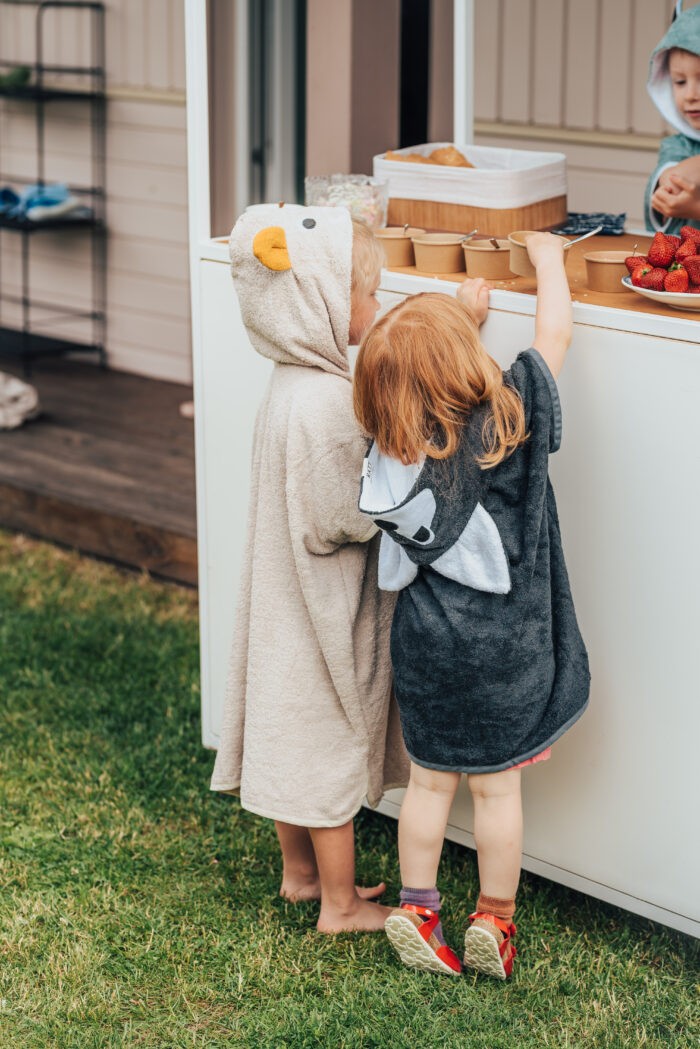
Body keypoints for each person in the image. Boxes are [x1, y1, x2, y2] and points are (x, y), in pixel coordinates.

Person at [353, 234, 590, 978]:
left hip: (426, 646)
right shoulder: (507, 420)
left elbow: (428, 404)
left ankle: (419, 906)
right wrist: (550, 262)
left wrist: (455, 319)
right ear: (464, 366)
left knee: (429, 784)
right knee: (497, 790)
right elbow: (553, 334)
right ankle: (495, 917)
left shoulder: (391, 453)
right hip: (504, 653)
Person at [210, 203, 408, 933]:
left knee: (291, 741)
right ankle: (341, 901)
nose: (374, 308)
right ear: (320, 302)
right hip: (320, 609)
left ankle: (299, 875)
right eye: (366, 296)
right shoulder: (327, 401)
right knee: (326, 752)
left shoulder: (288, 384)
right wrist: (388, 475)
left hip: (281, 602)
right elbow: (342, 517)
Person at [645, 1, 700, 235]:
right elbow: (672, 181)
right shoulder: (678, 147)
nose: (690, 95)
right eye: (679, 82)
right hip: (683, 268)